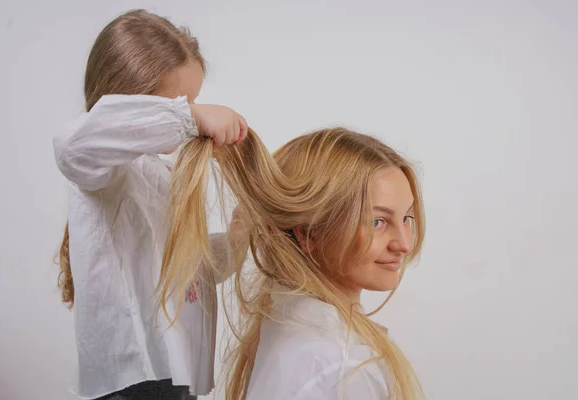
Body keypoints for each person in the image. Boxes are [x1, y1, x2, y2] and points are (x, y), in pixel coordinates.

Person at [53, 9, 247, 400]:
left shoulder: (157, 175)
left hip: (168, 375)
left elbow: (188, 272)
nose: (189, 114)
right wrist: (189, 117)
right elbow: (72, 144)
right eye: (176, 102)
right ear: (127, 99)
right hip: (134, 379)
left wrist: (237, 239)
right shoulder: (103, 169)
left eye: (193, 101)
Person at [158, 127, 426, 399]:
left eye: (407, 218)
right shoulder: (345, 367)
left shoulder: (290, 333)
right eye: (377, 222)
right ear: (307, 233)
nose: (404, 244)